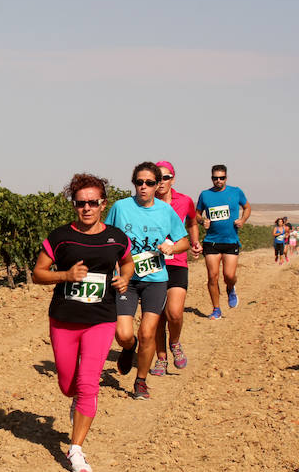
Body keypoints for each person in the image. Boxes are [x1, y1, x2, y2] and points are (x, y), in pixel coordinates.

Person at [33, 173, 134, 472]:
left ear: (104, 203)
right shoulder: (60, 237)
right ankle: (75, 401)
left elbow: (127, 262)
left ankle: (75, 450)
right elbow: (38, 273)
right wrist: (65, 275)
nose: (87, 208)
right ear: (74, 205)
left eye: (93, 202)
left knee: (89, 384)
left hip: (101, 319)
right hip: (64, 319)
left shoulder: (116, 237)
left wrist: (125, 278)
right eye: (81, 203)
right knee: (69, 385)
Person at [105, 162, 189, 400]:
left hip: (156, 280)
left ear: (157, 185)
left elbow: (182, 240)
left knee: (147, 332)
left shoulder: (165, 211)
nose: (144, 187)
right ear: (134, 183)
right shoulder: (121, 207)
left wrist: (171, 246)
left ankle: (140, 381)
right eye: (139, 182)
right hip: (127, 280)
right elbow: (107, 236)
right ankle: (128, 348)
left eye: (149, 183)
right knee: (123, 334)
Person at [151, 161, 201, 376]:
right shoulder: (146, 203)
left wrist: (195, 241)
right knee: (158, 317)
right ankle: (161, 358)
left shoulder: (185, 201)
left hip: (177, 263)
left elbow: (192, 222)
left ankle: (175, 342)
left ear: (173, 179)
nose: (162, 182)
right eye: (158, 178)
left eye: (166, 177)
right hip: (152, 264)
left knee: (174, 313)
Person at [196, 165, 251, 320]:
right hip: (211, 241)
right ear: (211, 178)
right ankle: (216, 309)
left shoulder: (235, 192)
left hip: (230, 241)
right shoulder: (205, 195)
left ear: (226, 178)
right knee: (212, 277)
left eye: (221, 178)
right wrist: (202, 221)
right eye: (215, 178)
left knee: (229, 275)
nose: (218, 181)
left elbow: (247, 207)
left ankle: (231, 287)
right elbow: (197, 214)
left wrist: (243, 220)